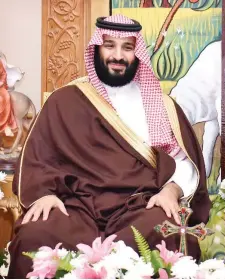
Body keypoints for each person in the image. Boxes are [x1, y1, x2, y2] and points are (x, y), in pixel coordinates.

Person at [7, 15, 211, 278]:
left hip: (139, 205)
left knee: (169, 235)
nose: (118, 55)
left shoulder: (160, 105)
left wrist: (171, 190)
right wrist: (45, 193)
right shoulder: (64, 101)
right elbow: (38, 157)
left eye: (127, 47)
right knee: (36, 235)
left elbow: (184, 160)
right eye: (110, 45)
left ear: (137, 53)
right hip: (74, 204)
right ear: (96, 48)